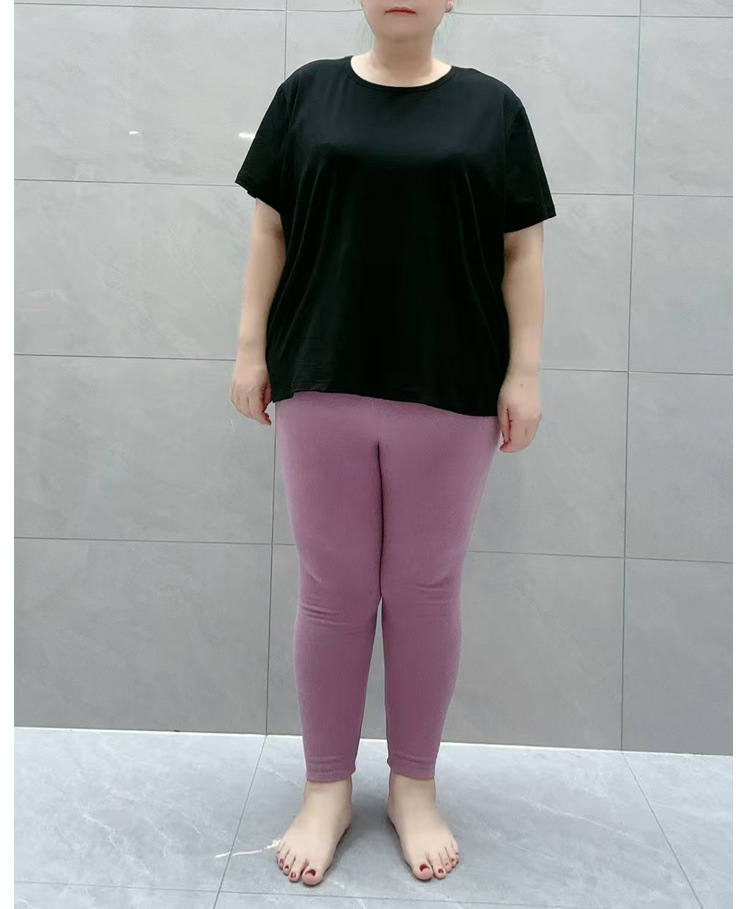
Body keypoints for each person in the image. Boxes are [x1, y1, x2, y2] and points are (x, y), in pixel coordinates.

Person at [230, 0, 556, 889]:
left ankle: (414, 785)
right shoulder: (307, 95)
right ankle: (326, 789)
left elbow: (522, 252)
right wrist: (251, 349)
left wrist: (524, 373)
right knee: (333, 590)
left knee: (424, 588)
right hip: (321, 371)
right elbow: (269, 228)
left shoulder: (493, 108)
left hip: (452, 382)